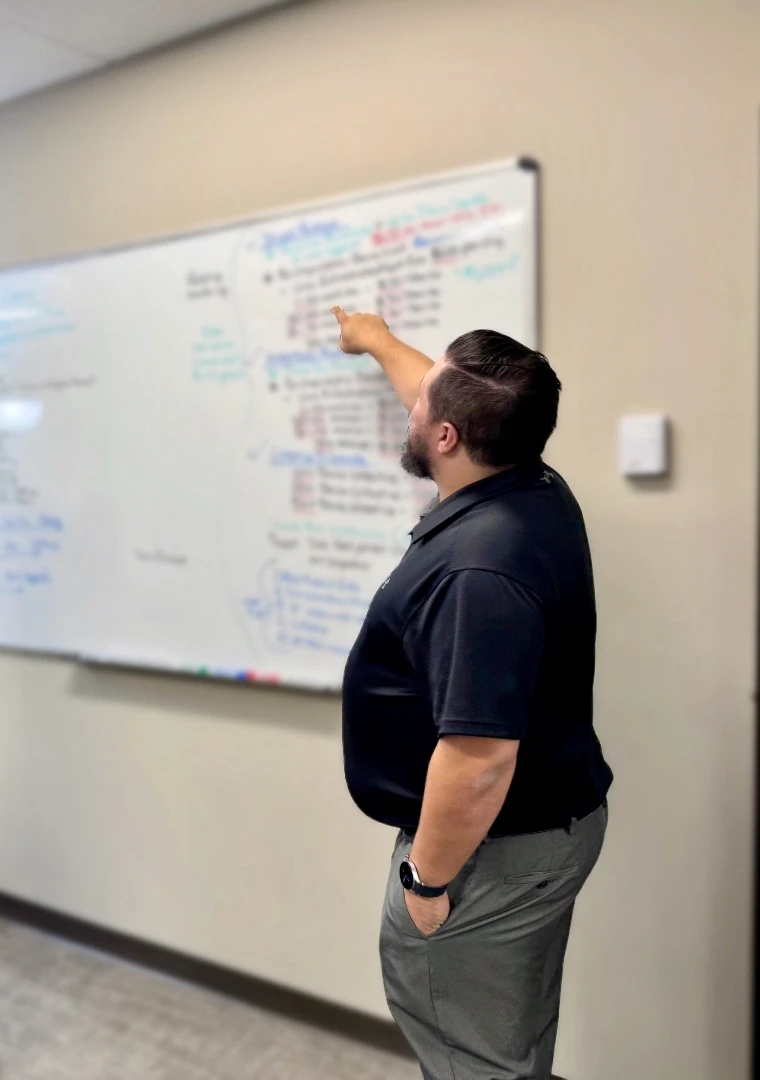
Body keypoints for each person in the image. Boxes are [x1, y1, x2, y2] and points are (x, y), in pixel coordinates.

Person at [333, 308, 613, 1080]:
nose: (414, 398)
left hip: (488, 852)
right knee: (506, 1043)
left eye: (426, 402)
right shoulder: (530, 482)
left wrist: (427, 881)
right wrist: (376, 340)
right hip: (537, 830)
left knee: (475, 1059)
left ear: (449, 438)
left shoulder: (480, 570)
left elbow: (480, 757)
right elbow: (436, 388)